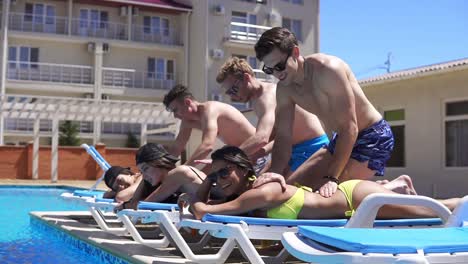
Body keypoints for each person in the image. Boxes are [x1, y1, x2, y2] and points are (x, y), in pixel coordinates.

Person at [253, 27, 395, 197]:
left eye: (280, 66)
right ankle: (393, 187)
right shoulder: (284, 89)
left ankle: (395, 190)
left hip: (372, 136)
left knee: (325, 200)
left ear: (295, 52)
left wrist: (332, 177)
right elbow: (283, 136)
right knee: (292, 191)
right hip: (339, 141)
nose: (277, 73)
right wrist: (274, 173)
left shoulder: (328, 71)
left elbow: (350, 127)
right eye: (269, 70)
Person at [184, 146, 460, 220]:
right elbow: (211, 204)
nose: (219, 180)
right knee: (431, 210)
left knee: (437, 210)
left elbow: (204, 210)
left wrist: (203, 188)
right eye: (214, 175)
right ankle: (395, 186)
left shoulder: (262, 192)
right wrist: (209, 181)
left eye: (224, 173)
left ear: (244, 170)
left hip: (358, 200)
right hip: (348, 201)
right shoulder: (248, 192)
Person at [216, 57, 328, 176]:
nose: (233, 96)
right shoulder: (256, 100)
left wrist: (225, 159)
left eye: (234, 90)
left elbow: (261, 138)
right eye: (229, 93)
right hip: (292, 149)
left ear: (246, 78)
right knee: (258, 183)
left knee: (276, 191)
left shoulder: (268, 96)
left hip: (312, 147)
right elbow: (275, 136)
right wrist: (255, 155)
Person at [163, 84, 269, 175]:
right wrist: (163, 169)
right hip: (234, 155)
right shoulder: (187, 122)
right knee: (201, 178)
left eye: (175, 110)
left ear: (187, 102)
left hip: (257, 153)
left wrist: (184, 169)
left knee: (198, 178)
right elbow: (177, 147)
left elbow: (207, 146)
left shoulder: (210, 110)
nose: (175, 116)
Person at [119, 143, 223, 210]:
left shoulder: (178, 173)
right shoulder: (171, 181)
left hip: (226, 205)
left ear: (158, 162)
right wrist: (145, 178)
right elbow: (136, 201)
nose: (144, 176)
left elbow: (145, 205)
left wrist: (124, 205)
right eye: (141, 172)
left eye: (145, 169)